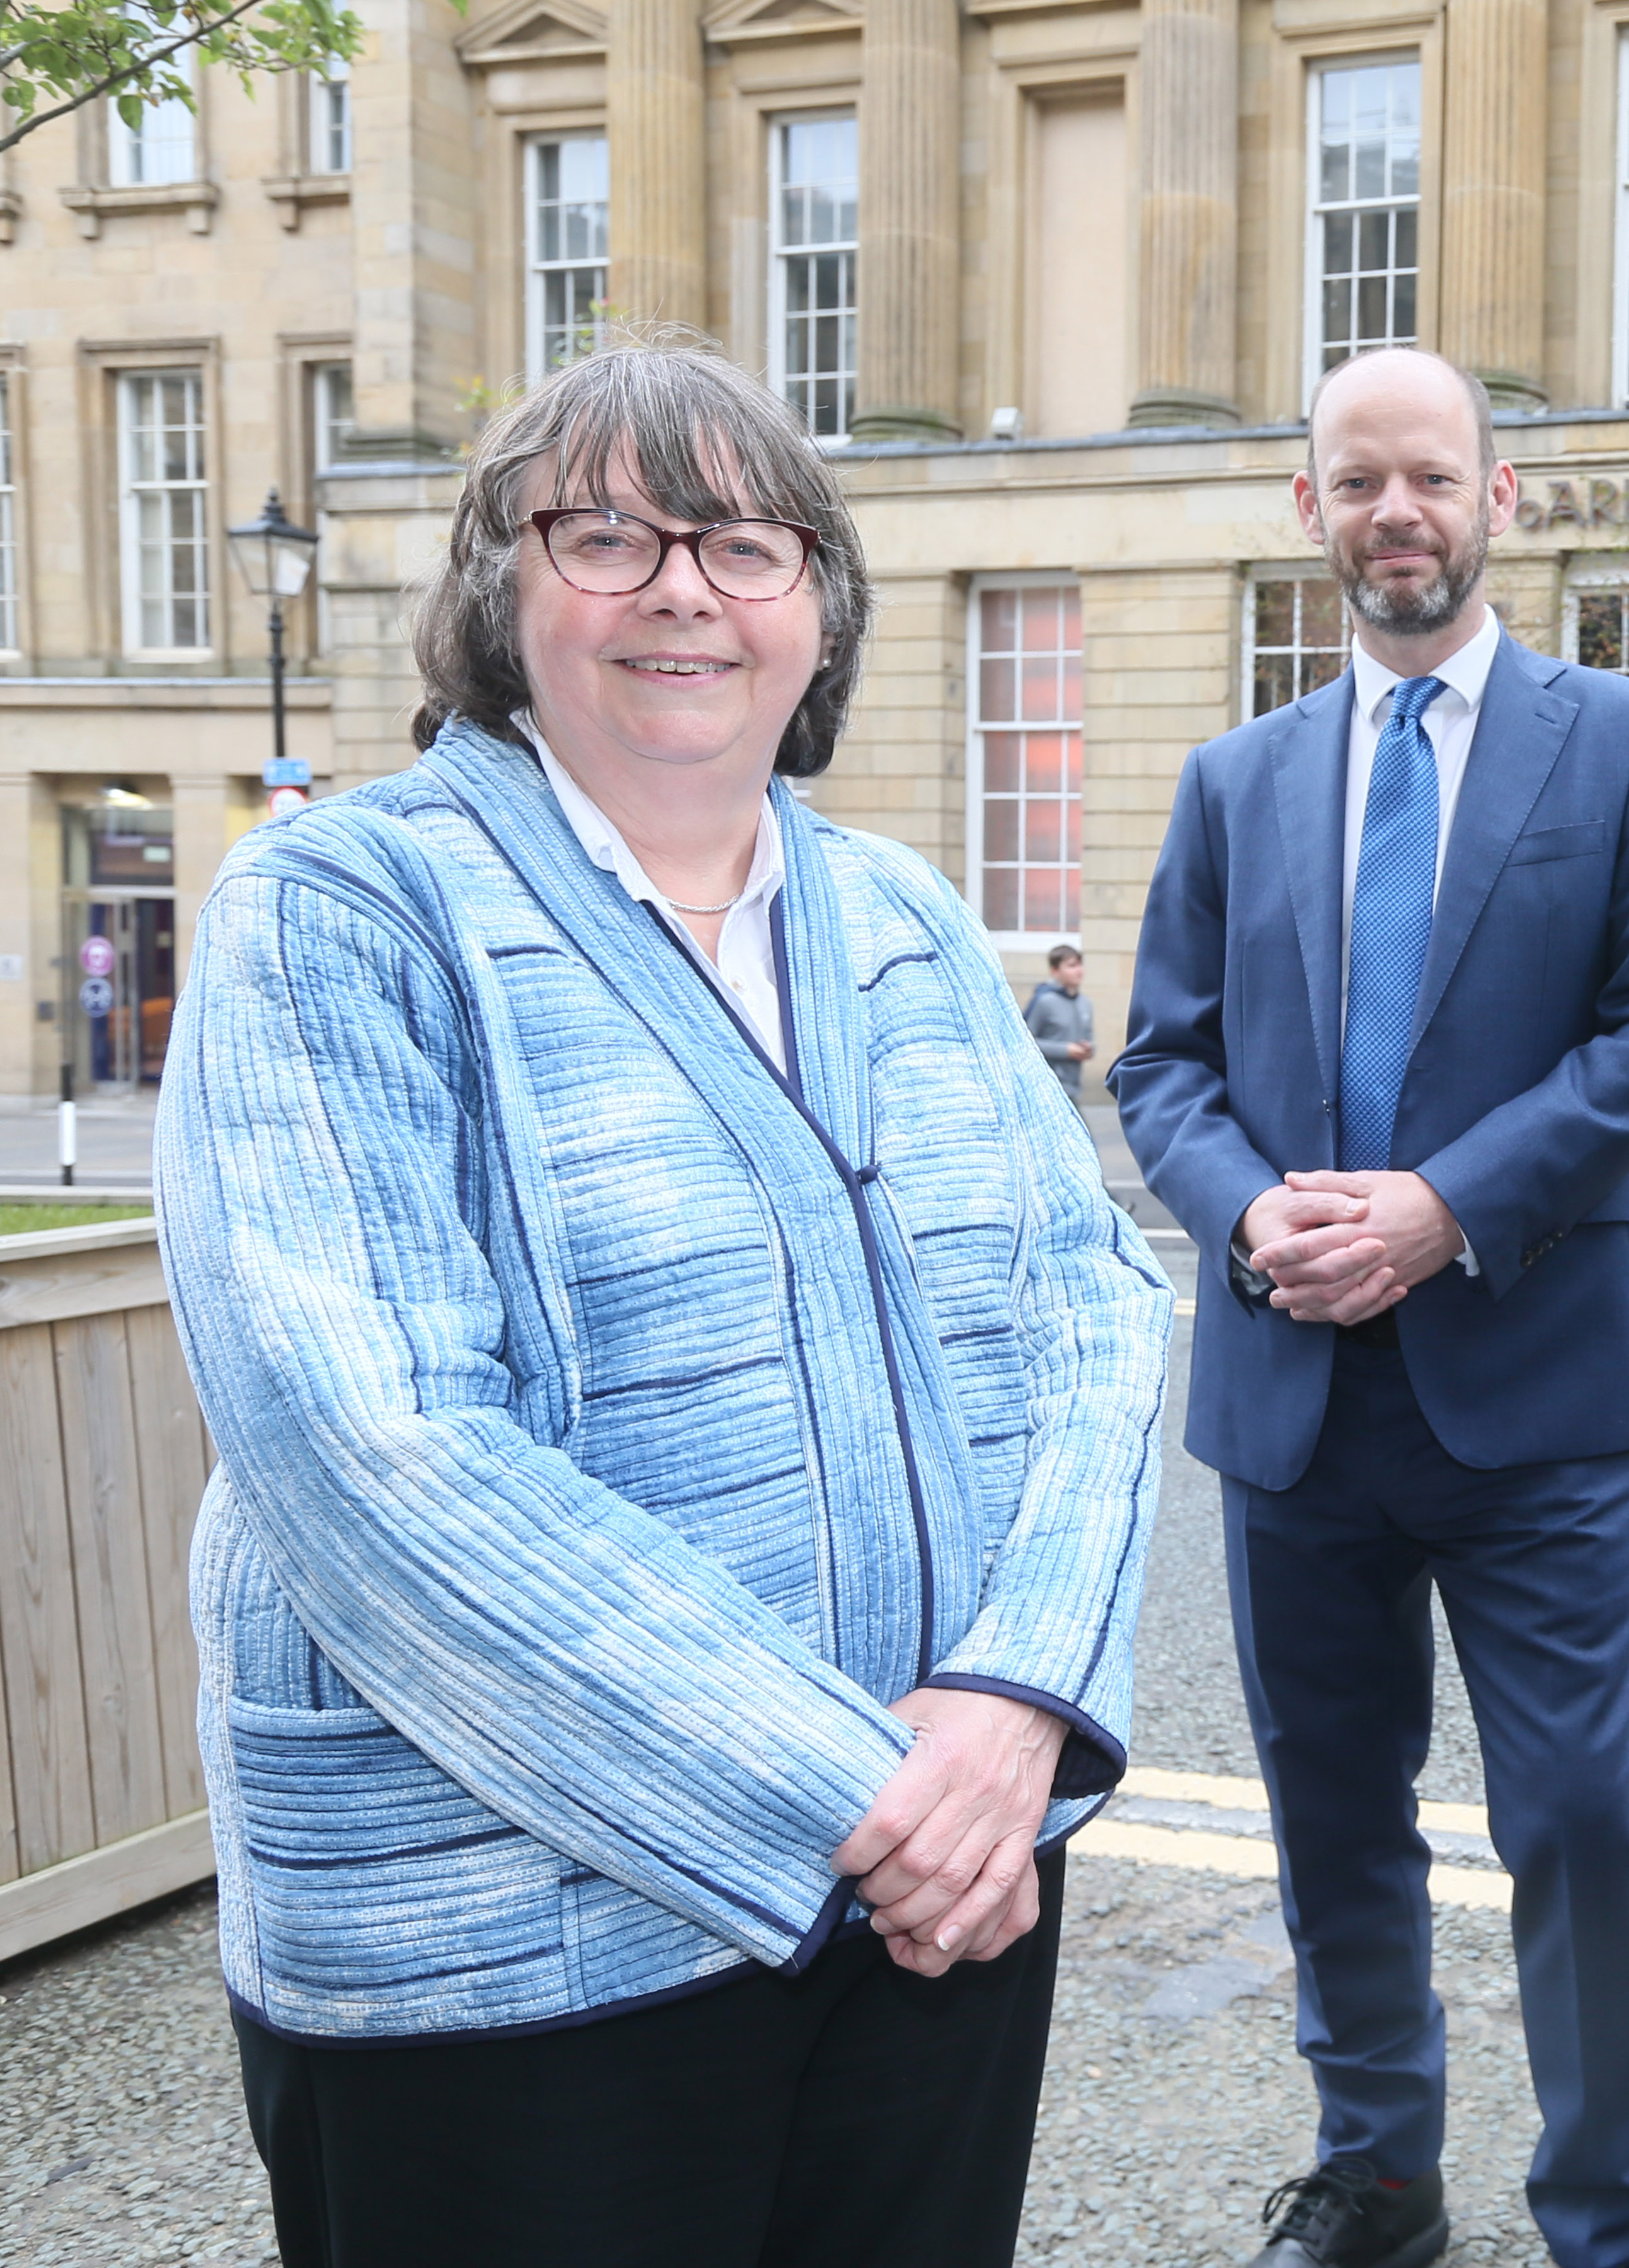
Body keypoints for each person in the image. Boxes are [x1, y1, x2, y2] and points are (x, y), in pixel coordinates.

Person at [155, 339, 1172, 2268]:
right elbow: (365, 1443)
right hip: (507, 1949)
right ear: (499, 592)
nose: (685, 586)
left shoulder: (905, 919)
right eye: (606, 534)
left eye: (746, 541)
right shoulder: (337, 909)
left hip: (934, 1914)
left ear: (819, 612)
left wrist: (1023, 1702)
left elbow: (1093, 1312)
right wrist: (880, 1793)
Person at [1114, 345, 1629, 2268]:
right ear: (1312, 510)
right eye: (1359, 482)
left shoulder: (1623, 742)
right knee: (1332, 1822)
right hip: (1292, 1394)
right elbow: (1164, 1071)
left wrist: (1441, 1211)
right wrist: (1248, 1220)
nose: (1398, 513)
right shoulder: (1236, 780)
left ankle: (1607, 2214)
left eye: (1432, 479)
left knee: (1572, 1822)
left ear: (1498, 497)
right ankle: (1380, 2173)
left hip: (1532, 1388)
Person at [1027, 941, 1097, 1096]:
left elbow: (1090, 1038)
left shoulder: (1085, 1003)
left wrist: (1088, 1049)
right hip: (1046, 1087)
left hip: (1073, 1088)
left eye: (1080, 965)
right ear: (1055, 971)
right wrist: (1065, 1050)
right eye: (1072, 966)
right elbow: (1026, 1043)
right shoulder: (1043, 1001)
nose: (1079, 971)